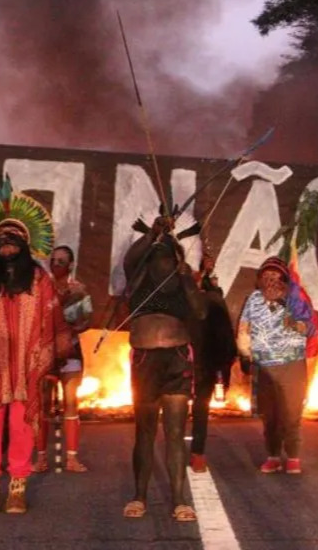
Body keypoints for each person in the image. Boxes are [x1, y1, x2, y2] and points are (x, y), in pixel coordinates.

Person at [0, 189, 67, 515]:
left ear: (25, 245)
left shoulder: (39, 279)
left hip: (26, 369)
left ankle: (17, 490)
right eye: (2, 237)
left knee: (21, 429)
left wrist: (48, 359)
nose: (7, 242)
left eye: (14, 237)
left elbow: (53, 318)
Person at [120, 216, 205, 522]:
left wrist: (186, 279)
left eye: (168, 257)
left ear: (176, 258)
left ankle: (180, 500)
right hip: (145, 360)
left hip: (178, 359)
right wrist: (154, 234)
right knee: (144, 432)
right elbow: (131, 258)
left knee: (174, 431)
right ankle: (139, 496)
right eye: (156, 257)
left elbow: (201, 311)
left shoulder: (182, 282)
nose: (162, 263)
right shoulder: (139, 276)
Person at [237, 256, 316, 476]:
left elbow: (309, 329)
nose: (270, 279)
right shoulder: (253, 299)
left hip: (292, 365)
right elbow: (244, 326)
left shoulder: (295, 298)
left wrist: (291, 318)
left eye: (275, 275)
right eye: (266, 275)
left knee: (291, 413)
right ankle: (273, 455)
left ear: (284, 278)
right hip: (264, 365)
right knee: (269, 414)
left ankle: (292, 455)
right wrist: (245, 352)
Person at [34, 245, 92, 474]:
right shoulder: (40, 289)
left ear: (70, 265)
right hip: (45, 353)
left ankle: (71, 458)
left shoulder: (80, 290)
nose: (55, 265)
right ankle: (40, 458)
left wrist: (69, 326)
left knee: (70, 401)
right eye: (53, 260)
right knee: (43, 404)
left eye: (61, 261)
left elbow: (87, 320)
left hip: (71, 352)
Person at [190, 251, 235, 473]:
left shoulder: (215, 298)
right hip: (179, 358)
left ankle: (197, 451)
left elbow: (225, 336)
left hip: (205, 360)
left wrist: (222, 368)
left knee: (201, 405)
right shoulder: (178, 292)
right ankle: (182, 450)